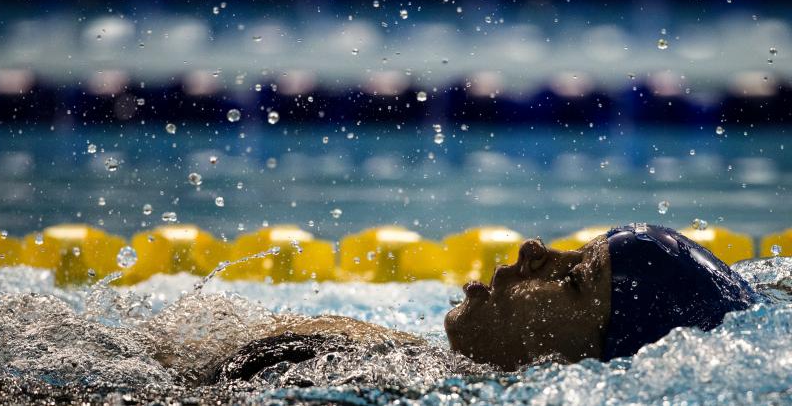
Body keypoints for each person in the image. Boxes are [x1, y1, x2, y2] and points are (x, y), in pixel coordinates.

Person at [215, 224, 761, 381]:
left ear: (590, 360)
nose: (536, 251)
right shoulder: (410, 366)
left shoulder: (381, 385)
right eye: (576, 253)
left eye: (575, 281)